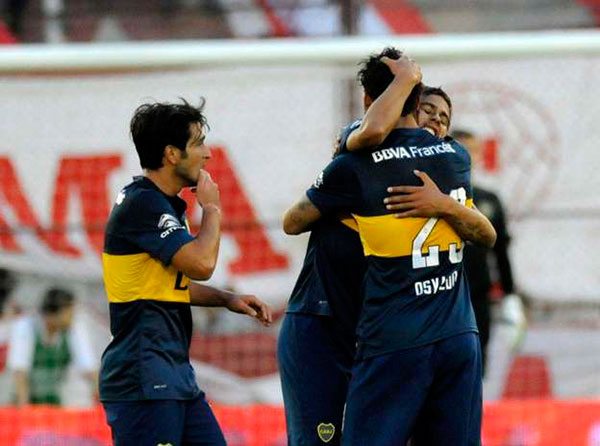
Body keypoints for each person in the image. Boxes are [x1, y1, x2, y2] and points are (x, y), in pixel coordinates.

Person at [283, 47, 495, 445]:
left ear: (368, 101)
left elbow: (291, 222)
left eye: (445, 117)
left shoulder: (354, 165)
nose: (437, 120)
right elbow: (486, 235)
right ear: (414, 103)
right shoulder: (455, 157)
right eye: (429, 109)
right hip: (437, 334)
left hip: (393, 336)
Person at [100, 99, 272, 446]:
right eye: (198, 143)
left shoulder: (159, 204)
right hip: (143, 375)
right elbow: (202, 265)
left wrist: (227, 299)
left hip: (172, 374)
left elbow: (167, 285)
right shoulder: (143, 204)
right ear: (171, 154)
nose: (207, 154)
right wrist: (212, 208)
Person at [451, 128, 517, 376]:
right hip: (442, 294)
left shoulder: (488, 200)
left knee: (476, 364)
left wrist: (510, 295)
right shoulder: (432, 198)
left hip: (478, 295)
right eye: (461, 150)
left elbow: (501, 251)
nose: (467, 157)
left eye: (472, 151)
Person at [7, 287, 97, 405]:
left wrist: (101, 398)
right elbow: (20, 373)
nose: (72, 317)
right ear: (52, 314)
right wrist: (25, 410)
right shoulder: (25, 327)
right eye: (69, 313)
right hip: (23, 402)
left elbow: (89, 368)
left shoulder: (72, 329)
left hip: (52, 402)